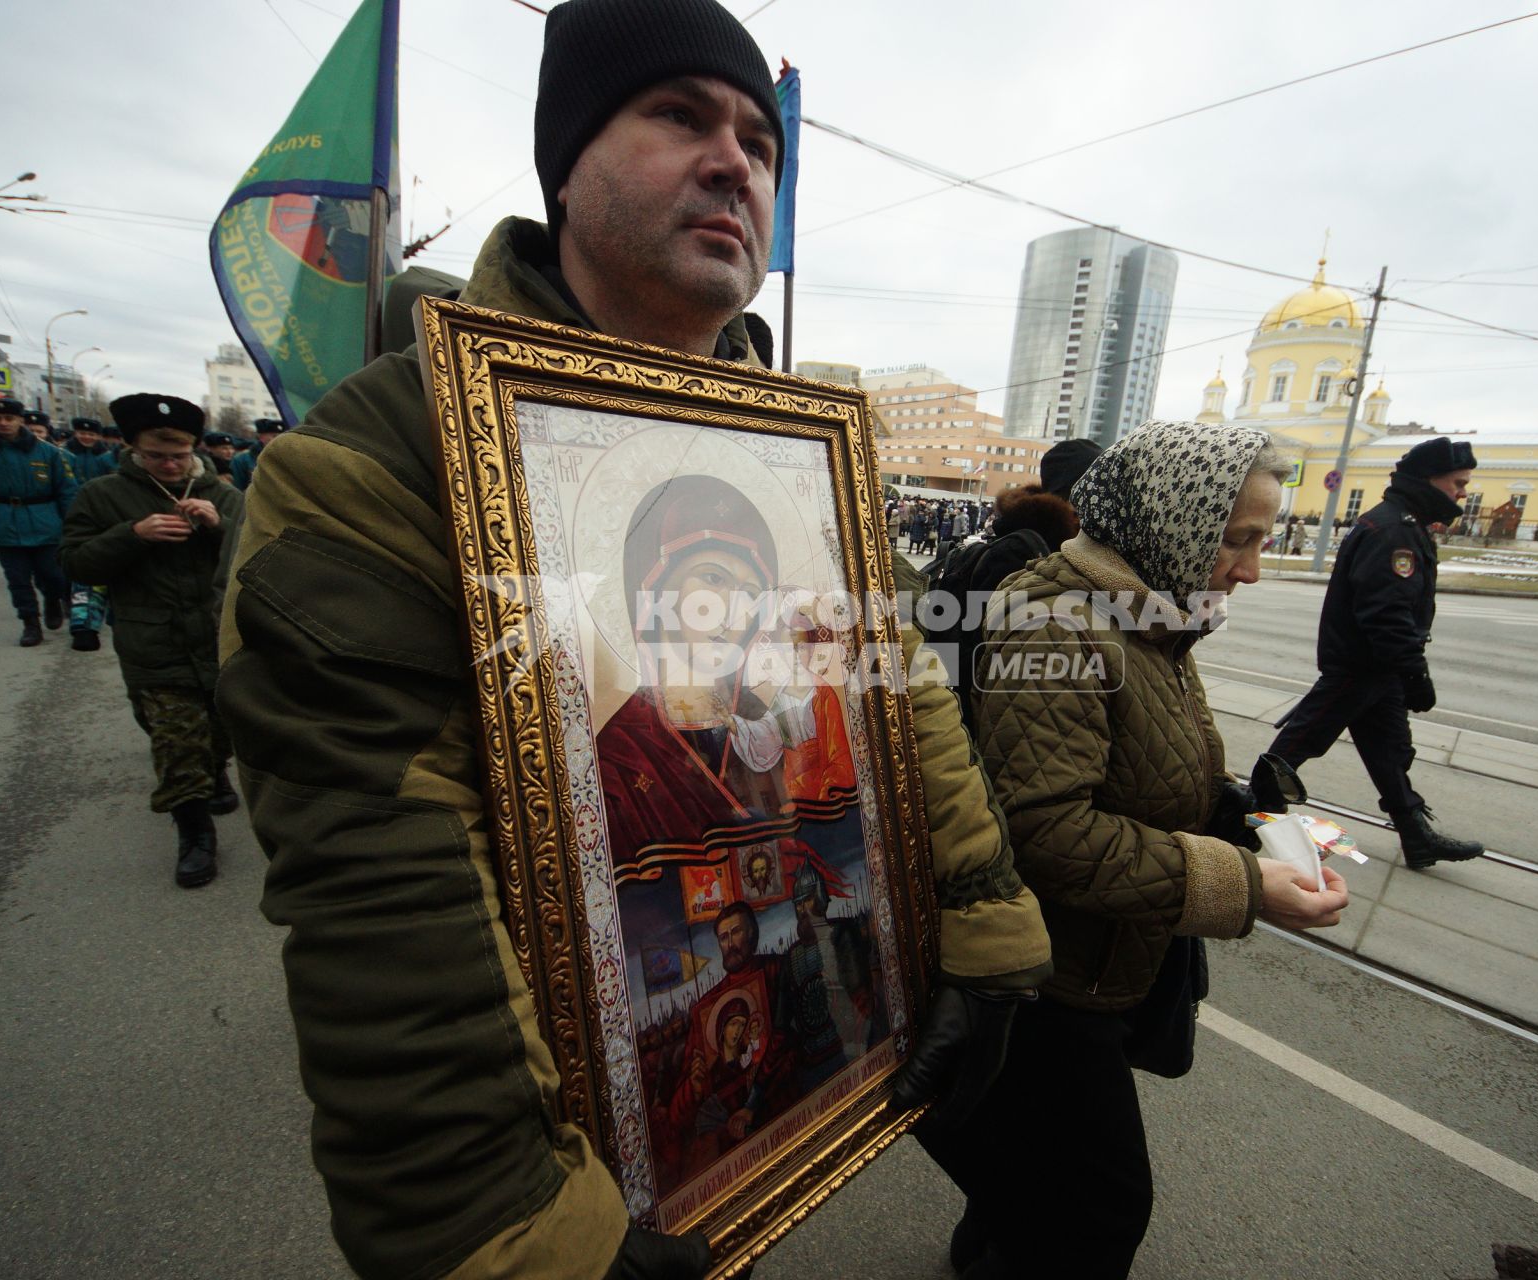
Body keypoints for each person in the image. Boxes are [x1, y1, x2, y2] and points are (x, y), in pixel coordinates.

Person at [215, 3, 1051, 1276]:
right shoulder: (384, 455)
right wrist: (516, 1231)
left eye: (760, 144)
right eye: (678, 115)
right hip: (563, 1139)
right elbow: (377, 867)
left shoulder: (806, 457)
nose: (735, 163)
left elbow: (898, 701)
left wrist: (983, 915)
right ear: (565, 166)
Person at [938, 421, 1349, 1279]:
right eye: (1238, 540)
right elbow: (1046, 832)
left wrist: (1249, 820)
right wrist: (1240, 883)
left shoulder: (1148, 614)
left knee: (1033, 1193)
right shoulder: (1058, 628)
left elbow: (1146, 770)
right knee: (1101, 1209)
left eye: (1263, 541)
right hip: (1046, 983)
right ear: (1174, 522)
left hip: (1098, 964)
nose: (1252, 568)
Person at [1267, 436, 1485, 869]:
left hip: (1376, 672)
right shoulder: (1393, 531)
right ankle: (1239, 816)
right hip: (1358, 670)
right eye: (1458, 483)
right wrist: (1415, 675)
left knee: (1389, 756)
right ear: (1428, 480)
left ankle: (1416, 837)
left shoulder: (1403, 524)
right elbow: (1386, 613)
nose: (1463, 493)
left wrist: (1403, 674)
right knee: (1292, 750)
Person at [60, 395, 245, 888]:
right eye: (156, 455)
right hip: (152, 642)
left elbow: (257, 554)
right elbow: (76, 563)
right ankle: (195, 836)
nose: (169, 464)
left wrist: (218, 527)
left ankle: (215, 768)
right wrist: (132, 535)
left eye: (179, 455)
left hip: (217, 638)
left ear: (193, 451)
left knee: (221, 726)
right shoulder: (104, 495)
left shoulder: (225, 496)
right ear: (133, 449)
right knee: (174, 740)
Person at [921, 437, 1100, 724]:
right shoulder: (1019, 551)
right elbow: (986, 652)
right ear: (1078, 493)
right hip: (989, 715)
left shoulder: (1065, 546)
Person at [0, 397, 78, 647]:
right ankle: (30, 624)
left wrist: (74, 524)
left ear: (20, 420)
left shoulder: (47, 451)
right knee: (18, 580)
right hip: (5, 523)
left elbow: (66, 490)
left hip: (46, 521)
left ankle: (53, 599)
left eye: (9, 418)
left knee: (54, 575)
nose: (2, 423)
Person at [62, 417, 118, 648]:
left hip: (127, 524)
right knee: (89, 576)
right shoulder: (101, 461)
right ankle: (84, 625)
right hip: (95, 519)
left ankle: (113, 617)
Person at [229, 418, 282, 491]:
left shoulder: (289, 458)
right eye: (274, 436)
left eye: (283, 436)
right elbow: (237, 490)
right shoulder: (242, 460)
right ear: (261, 437)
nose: (280, 440)